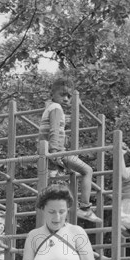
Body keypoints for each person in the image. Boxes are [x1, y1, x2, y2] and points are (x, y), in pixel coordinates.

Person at [38, 78, 101, 224]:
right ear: (52, 94)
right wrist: (55, 153)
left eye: (69, 96)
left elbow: (66, 120)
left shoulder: (51, 107)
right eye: (63, 95)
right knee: (87, 170)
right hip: (57, 151)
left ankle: (51, 212)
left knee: (56, 185)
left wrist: (76, 106)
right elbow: (54, 130)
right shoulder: (56, 108)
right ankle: (85, 208)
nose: (66, 99)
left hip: (50, 152)